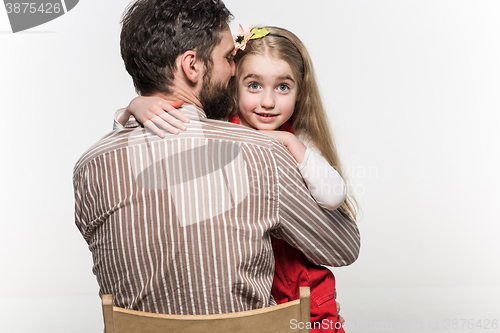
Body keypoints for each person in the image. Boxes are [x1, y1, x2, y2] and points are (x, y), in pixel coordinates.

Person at [73, 0, 360, 322]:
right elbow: (343, 248)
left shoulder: (90, 167)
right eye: (227, 58)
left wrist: (131, 110)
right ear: (192, 66)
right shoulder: (261, 154)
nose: (234, 69)